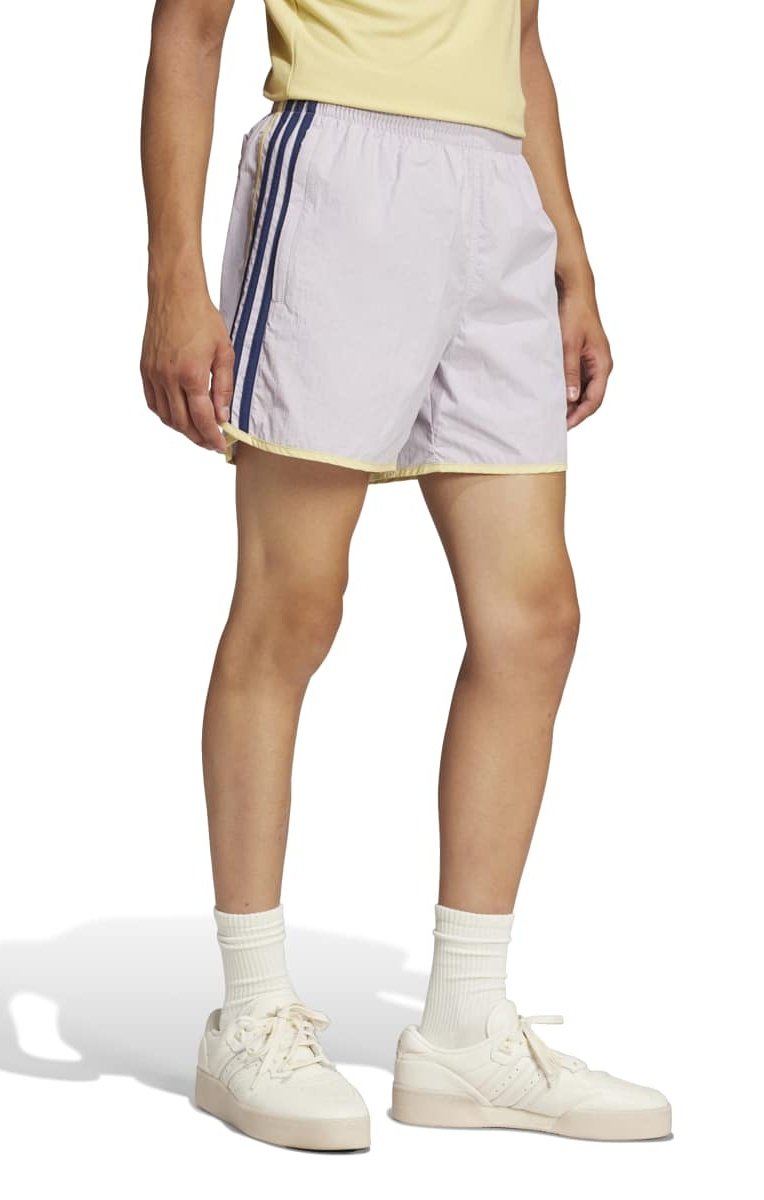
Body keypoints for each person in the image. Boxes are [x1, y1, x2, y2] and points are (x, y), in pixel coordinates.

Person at [140, 0, 671, 1152]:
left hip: (497, 188)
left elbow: (518, 37)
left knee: (533, 620)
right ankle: (250, 1012)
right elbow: (187, 29)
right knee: (292, 605)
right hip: (343, 169)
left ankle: (465, 1029)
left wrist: (569, 254)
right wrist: (174, 280)